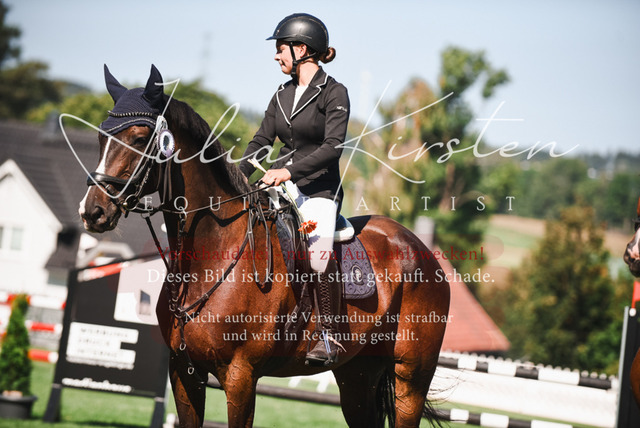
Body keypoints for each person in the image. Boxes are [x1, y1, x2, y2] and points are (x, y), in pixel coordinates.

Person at [239, 13, 350, 366]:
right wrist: (236, 177)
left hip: (318, 189)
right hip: (278, 183)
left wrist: (287, 171)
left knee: (317, 253)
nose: (276, 56)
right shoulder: (282, 93)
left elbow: (332, 147)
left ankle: (330, 334)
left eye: (280, 49)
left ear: (301, 49)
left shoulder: (334, 92)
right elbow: (261, 140)